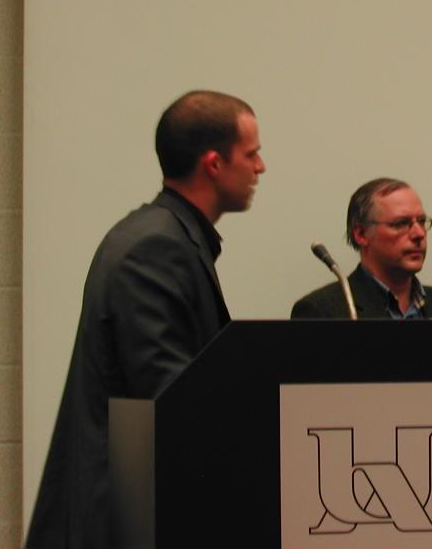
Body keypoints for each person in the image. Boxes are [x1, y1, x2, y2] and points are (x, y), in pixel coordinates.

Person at [25, 90, 265, 549]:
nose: (260, 168)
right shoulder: (155, 248)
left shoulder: (168, 236)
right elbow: (169, 393)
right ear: (213, 164)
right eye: (251, 154)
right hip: (126, 520)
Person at [292, 177, 432, 319]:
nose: (419, 233)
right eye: (401, 223)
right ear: (362, 234)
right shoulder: (322, 311)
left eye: (421, 221)